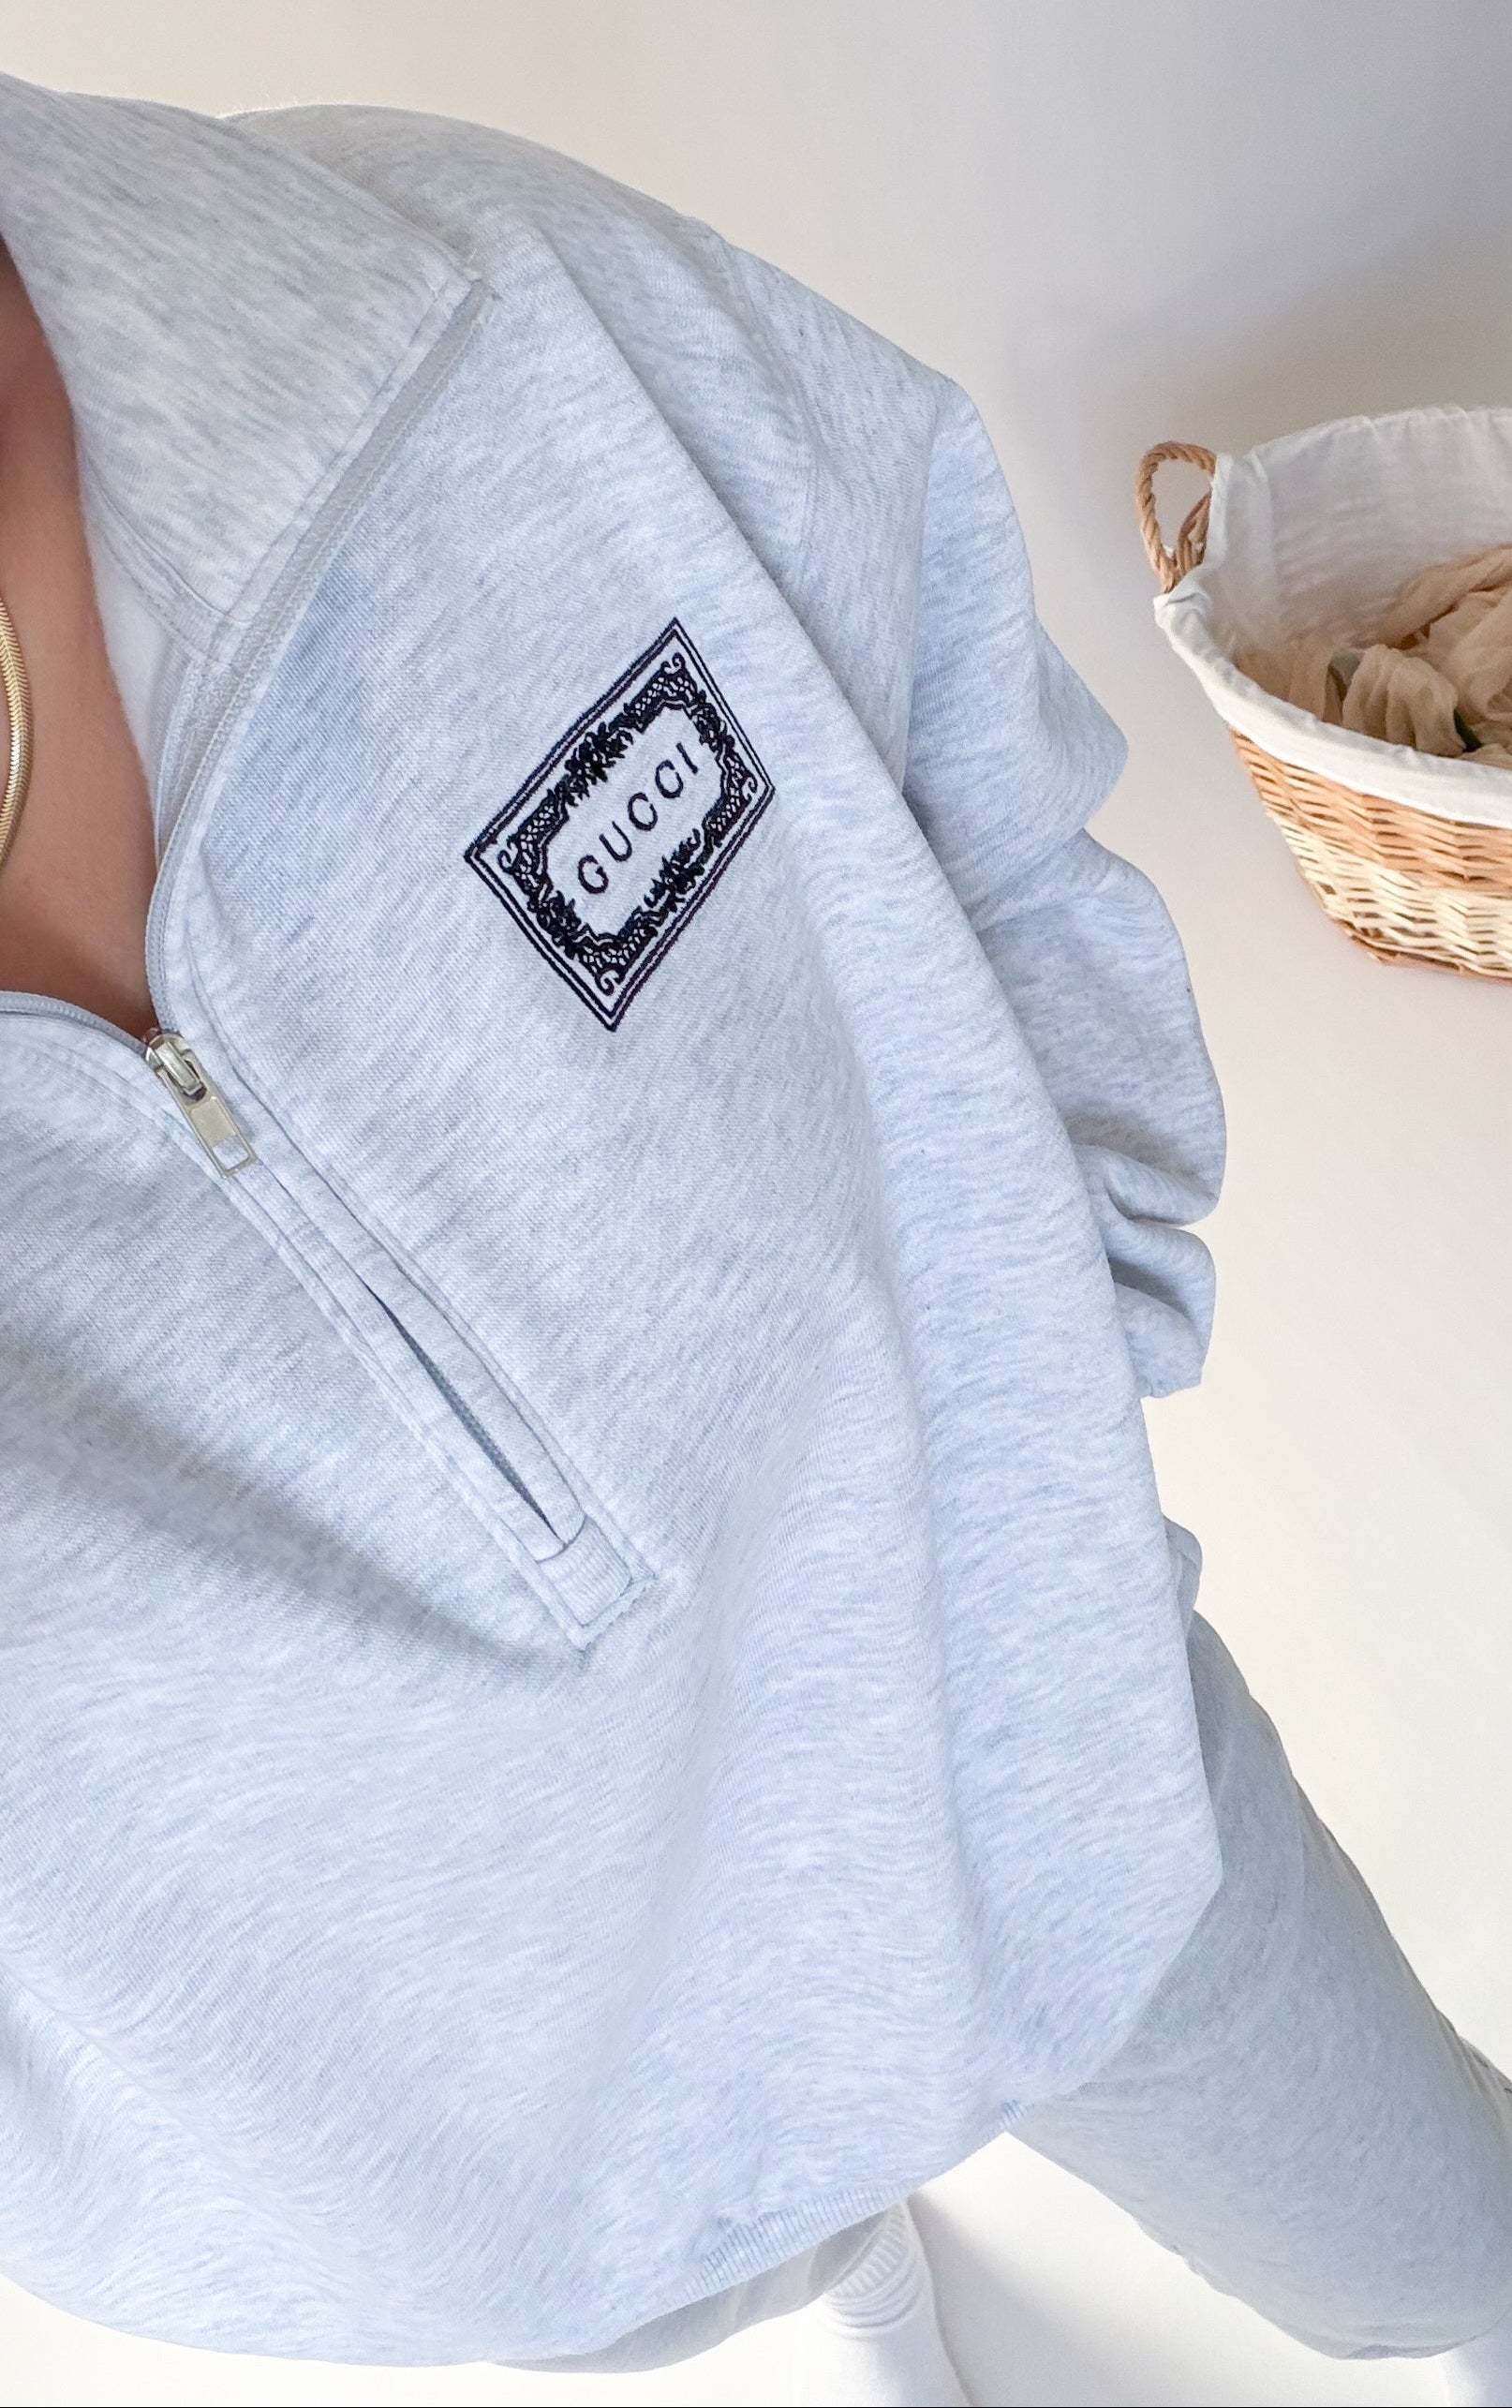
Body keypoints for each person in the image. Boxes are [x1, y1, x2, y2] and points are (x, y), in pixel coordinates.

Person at [0, 64, 1507, 2408]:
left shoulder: (481, 310)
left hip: (1054, 1782)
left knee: (1440, 2239)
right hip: (518, 2183)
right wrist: (356, 2206)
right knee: (773, 2293)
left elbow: (959, 721)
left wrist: (1062, 1397)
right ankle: (839, 2268)